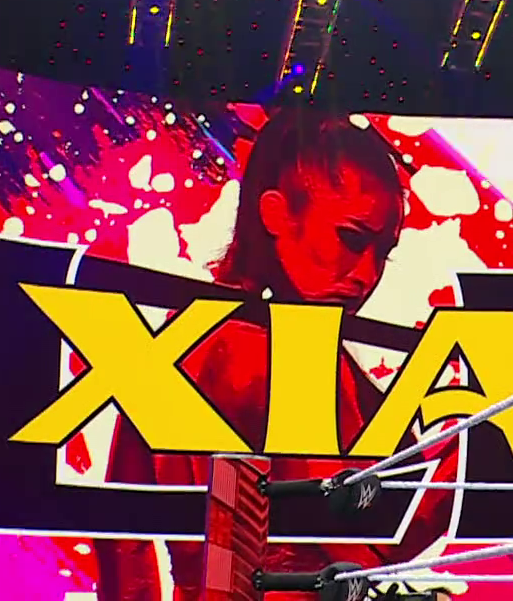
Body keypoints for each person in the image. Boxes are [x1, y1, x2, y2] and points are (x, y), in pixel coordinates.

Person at [97, 111, 419, 600]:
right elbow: (364, 546)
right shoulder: (263, 350)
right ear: (275, 214)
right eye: (351, 238)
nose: (367, 275)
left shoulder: (182, 341)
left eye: (383, 252)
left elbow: (120, 535)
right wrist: (463, 468)